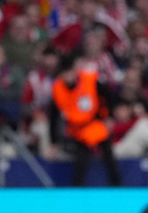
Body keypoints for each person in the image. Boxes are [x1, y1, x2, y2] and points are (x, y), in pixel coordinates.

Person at [52, 54, 122, 186]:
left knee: (108, 154)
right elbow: (54, 115)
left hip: (95, 124)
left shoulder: (89, 79)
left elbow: (108, 95)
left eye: (70, 72)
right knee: (82, 158)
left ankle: (117, 186)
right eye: (64, 74)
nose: (68, 77)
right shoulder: (58, 88)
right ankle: (78, 190)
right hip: (76, 130)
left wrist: (109, 117)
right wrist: (53, 141)